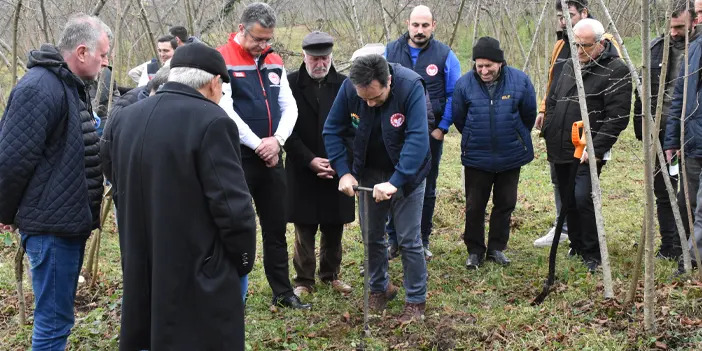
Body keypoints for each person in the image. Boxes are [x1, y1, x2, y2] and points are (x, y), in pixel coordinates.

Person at [107, 43, 256, 350]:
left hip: (140, 261)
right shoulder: (212, 122)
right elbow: (233, 208)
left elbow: (110, 169)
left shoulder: (125, 118)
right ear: (214, 82)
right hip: (198, 270)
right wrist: (241, 260)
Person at [0, 14, 110, 350]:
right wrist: (5, 214)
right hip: (51, 228)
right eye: (102, 55)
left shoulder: (66, 86)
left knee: (58, 318)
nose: (105, 63)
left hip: (65, 223)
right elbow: (12, 160)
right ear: (80, 52)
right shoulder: (39, 88)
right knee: (52, 322)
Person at [323, 54, 430, 323]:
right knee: (371, 236)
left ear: (389, 82)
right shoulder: (351, 87)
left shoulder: (410, 86)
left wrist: (396, 181)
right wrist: (344, 172)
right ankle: (379, 289)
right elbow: (332, 130)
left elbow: (418, 138)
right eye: (364, 99)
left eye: (375, 98)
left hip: (408, 172)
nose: (369, 103)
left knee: (408, 239)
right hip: (368, 171)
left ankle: (415, 300)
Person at [217, 2, 308, 309]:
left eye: (268, 39)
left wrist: (277, 141)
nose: (263, 45)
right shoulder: (222, 59)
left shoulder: (274, 59)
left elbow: (289, 105)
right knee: (236, 227)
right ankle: (230, 294)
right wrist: (258, 144)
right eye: (257, 39)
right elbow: (224, 109)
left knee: (275, 226)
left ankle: (283, 292)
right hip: (237, 158)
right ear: (241, 29)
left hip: (271, 157)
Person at [543, 18, 631, 272]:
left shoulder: (616, 71)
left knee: (582, 197)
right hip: (559, 145)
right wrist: (549, 129)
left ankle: (592, 252)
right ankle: (577, 244)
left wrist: (595, 148)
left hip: (587, 149)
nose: (579, 51)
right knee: (567, 198)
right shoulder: (570, 64)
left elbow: (617, 117)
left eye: (585, 46)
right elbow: (554, 99)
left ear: (601, 44)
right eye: (575, 45)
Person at [533, 0, 623, 248]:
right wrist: (546, 116)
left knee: (583, 194)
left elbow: (615, 108)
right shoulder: (563, 49)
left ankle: (590, 247)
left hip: (588, 140)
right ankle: (570, 235)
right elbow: (553, 87)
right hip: (559, 135)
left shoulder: (610, 56)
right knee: (564, 189)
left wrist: (596, 145)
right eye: (560, 16)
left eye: (569, 14)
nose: (563, 20)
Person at [384, 5, 461, 260]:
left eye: (425, 26)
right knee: (394, 182)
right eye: (415, 25)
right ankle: (393, 239)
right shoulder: (391, 51)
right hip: (395, 133)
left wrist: (442, 128)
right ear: (408, 23)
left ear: (433, 26)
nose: (419, 30)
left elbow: (454, 95)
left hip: (430, 135)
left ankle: (421, 238)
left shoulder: (445, 55)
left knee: (426, 186)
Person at [453, 37, 537, 269]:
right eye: (479, 65)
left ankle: (496, 248)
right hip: (477, 157)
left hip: (510, 156)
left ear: (500, 63)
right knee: (474, 206)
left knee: (505, 203)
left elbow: (528, 114)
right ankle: (474, 251)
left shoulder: (520, 81)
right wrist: (474, 136)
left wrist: (514, 135)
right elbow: (459, 118)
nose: (483, 70)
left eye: (488, 65)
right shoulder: (464, 85)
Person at [286, 31, 355, 297]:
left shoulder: (345, 85)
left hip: (337, 167)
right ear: (304, 57)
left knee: (334, 222)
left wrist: (339, 162)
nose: (320, 64)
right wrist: (309, 160)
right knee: (304, 225)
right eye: (315, 59)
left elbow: (353, 127)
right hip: (302, 165)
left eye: (325, 58)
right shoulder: (289, 84)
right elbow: (284, 131)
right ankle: (303, 279)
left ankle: (331, 275)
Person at [634, 2, 699, 260]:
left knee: (691, 193)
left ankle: (691, 245)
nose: (674, 32)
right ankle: (670, 245)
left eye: (680, 27)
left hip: (694, 131)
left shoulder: (699, 49)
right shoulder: (656, 48)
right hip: (660, 132)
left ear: (694, 22)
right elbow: (641, 91)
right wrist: (642, 126)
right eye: (671, 27)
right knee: (663, 189)